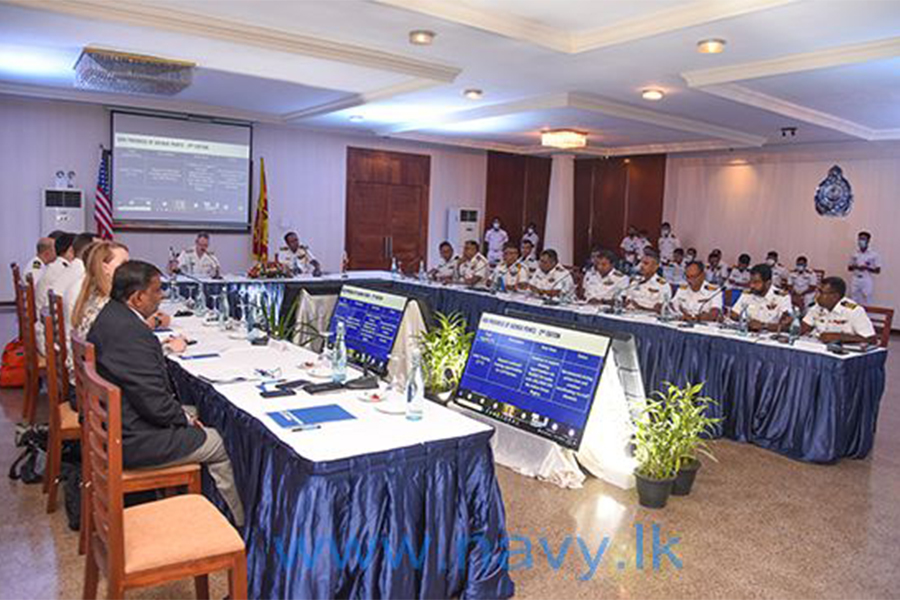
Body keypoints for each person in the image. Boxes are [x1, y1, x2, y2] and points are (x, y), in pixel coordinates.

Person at [88, 260, 244, 526]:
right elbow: (156, 406)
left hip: (117, 426)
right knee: (218, 440)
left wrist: (185, 416)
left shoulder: (110, 317)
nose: (162, 297)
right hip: (134, 440)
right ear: (137, 298)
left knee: (201, 412)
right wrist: (186, 421)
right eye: (157, 291)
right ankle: (234, 525)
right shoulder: (134, 334)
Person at [801, 277, 877, 344]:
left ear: (835, 296)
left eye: (821, 293)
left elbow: (871, 339)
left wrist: (839, 337)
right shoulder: (817, 307)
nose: (816, 296)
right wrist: (793, 324)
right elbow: (803, 328)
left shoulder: (853, 310)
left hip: (844, 355)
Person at [729, 264, 792, 332]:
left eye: (756, 282)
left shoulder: (782, 297)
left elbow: (786, 325)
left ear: (768, 283)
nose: (751, 285)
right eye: (751, 281)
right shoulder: (748, 293)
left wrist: (763, 326)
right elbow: (734, 313)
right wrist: (748, 321)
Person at [626, 248, 670, 313]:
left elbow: (660, 309)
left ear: (655, 267)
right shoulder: (636, 281)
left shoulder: (662, 285)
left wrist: (639, 307)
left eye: (646, 263)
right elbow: (628, 302)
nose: (642, 266)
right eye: (641, 263)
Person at [848, 231, 881, 305]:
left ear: (868, 241)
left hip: (866, 278)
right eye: (859, 239)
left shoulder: (873, 254)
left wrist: (867, 268)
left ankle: (867, 315)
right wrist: (856, 266)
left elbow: (878, 270)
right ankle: (853, 316)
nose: (860, 241)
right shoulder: (854, 253)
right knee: (853, 298)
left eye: (863, 239)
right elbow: (849, 268)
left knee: (867, 298)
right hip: (855, 278)